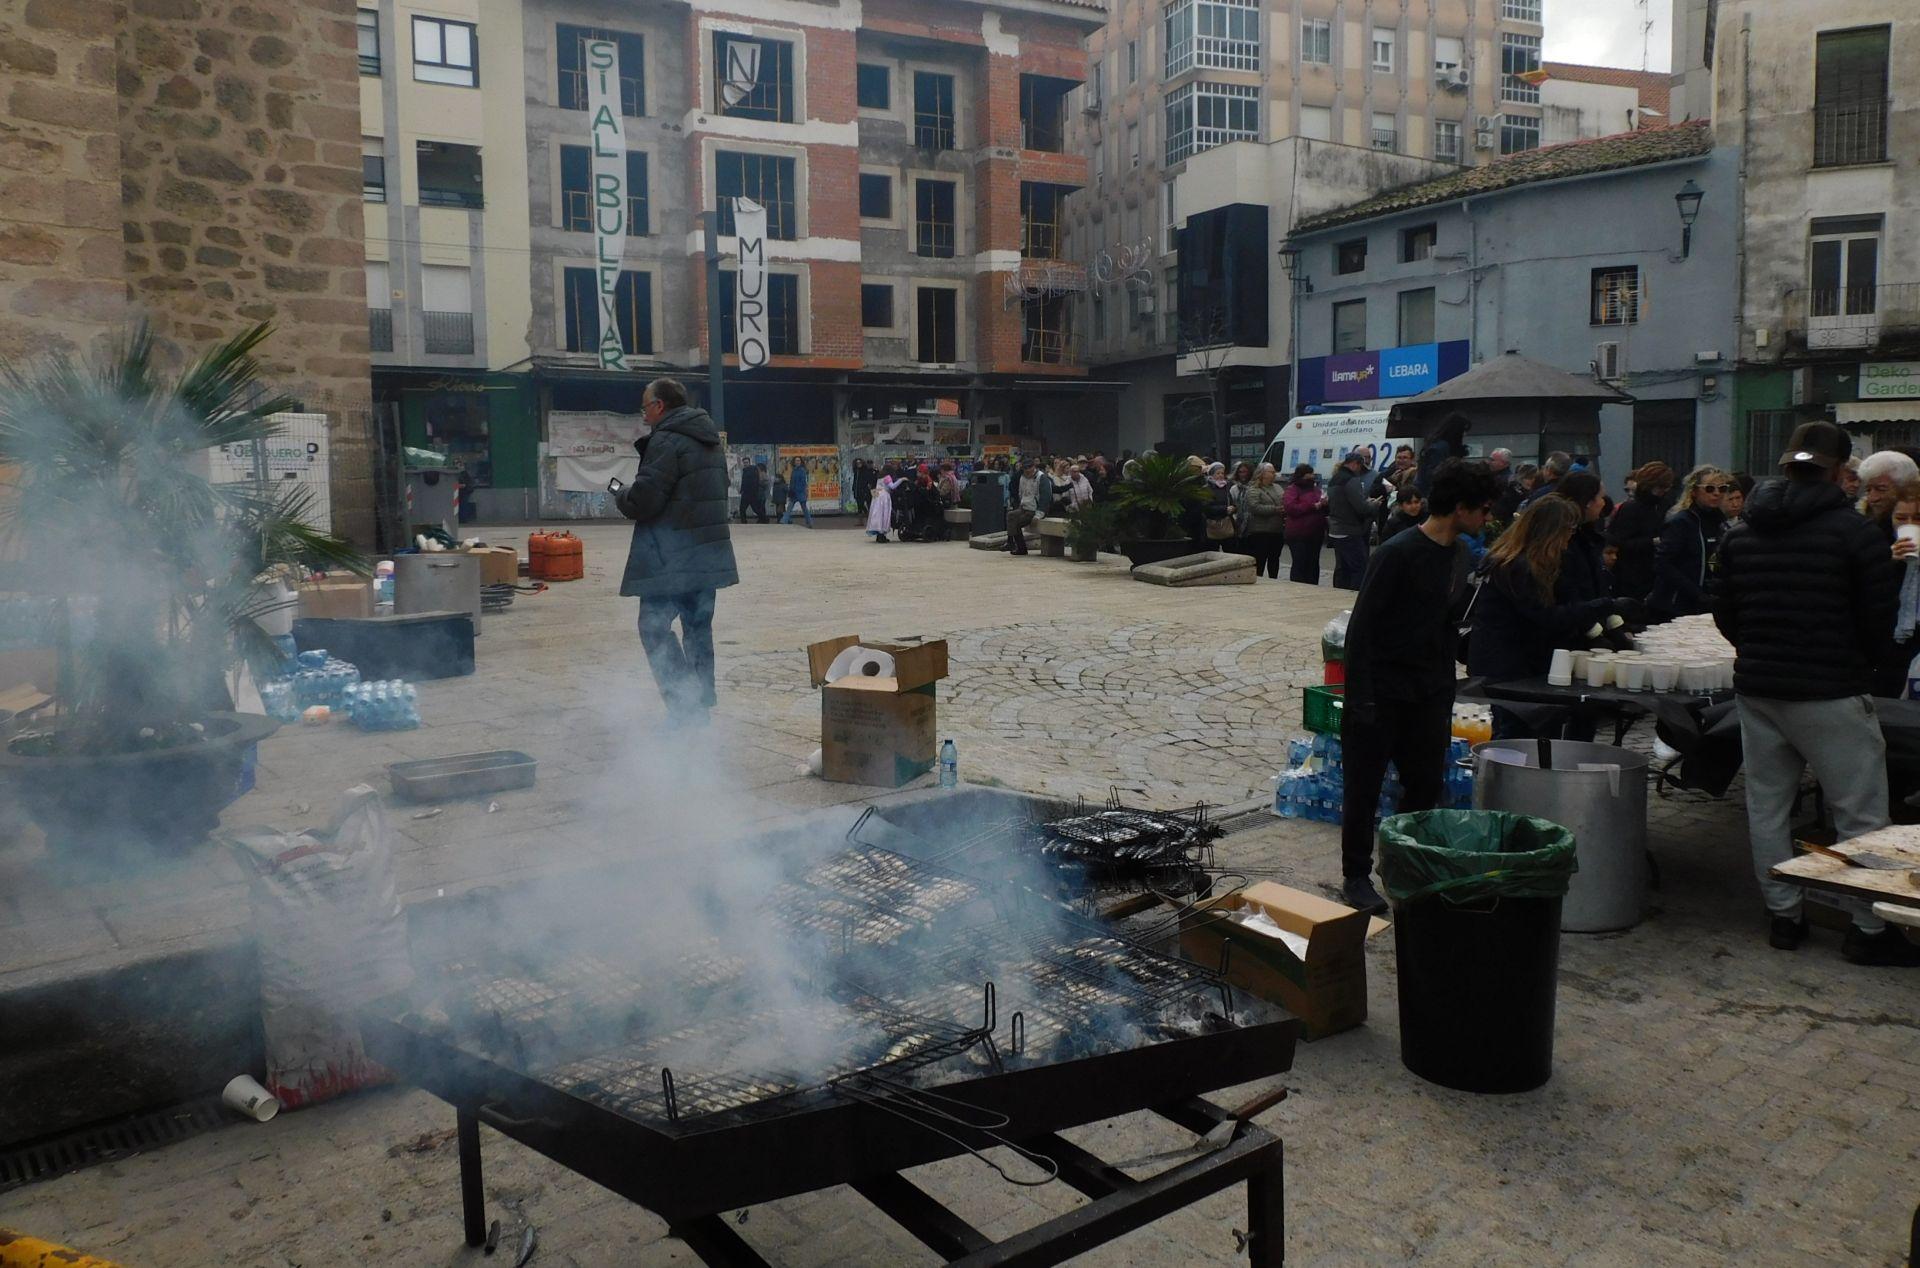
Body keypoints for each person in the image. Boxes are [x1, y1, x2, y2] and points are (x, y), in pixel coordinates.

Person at [1715, 420, 1915, 966]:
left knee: (1768, 807)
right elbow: (1880, 622)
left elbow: (1725, 613)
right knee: (1862, 815)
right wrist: (1865, 668)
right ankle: (1869, 929)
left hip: (1759, 688)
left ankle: (1784, 917)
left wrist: (1759, 649)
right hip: (1829, 690)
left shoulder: (1742, 532)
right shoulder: (1852, 535)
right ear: (1838, 471)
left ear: (1786, 466)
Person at [1337, 460, 1502, 913]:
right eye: (1484, 508)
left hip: (1429, 690)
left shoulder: (1462, 553)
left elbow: (1448, 621)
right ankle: (1355, 876)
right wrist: (1363, 698)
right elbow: (1361, 632)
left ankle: (1406, 862)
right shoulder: (1396, 552)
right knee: (1363, 788)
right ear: (1461, 507)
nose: (1489, 517)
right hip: (1382, 690)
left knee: (1424, 784)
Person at [616, 378, 738, 727]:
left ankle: (686, 709)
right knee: (698, 629)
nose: (644, 415)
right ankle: (699, 706)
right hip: (706, 557)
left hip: (672, 559)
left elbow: (644, 500)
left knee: (653, 628)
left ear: (660, 406)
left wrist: (621, 493)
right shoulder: (709, 440)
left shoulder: (667, 440)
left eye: (645, 407)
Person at [1467, 496, 1622, 739]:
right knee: (1515, 731)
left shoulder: (1532, 562)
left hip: (1520, 661)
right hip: (1508, 666)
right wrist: (1601, 607)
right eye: (1568, 530)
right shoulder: (1516, 566)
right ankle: (1507, 775)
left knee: (1532, 729)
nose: (1570, 537)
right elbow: (1545, 616)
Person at [1649, 466, 1728, 620]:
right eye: (1710, 489)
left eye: (1722, 488)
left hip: (1706, 602)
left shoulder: (1720, 522)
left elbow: (1715, 559)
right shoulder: (1681, 522)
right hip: (1675, 604)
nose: (1717, 493)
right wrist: (1696, 593)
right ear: (1694, 491)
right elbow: (1662, 563)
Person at [1876, 477, 1920, 697]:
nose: (1909, 524)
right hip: (1890, 647)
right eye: (1901, 518)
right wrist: (1888, 561)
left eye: (1918, 519)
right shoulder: (1878, 547)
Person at [1606, 461, 1673, 601]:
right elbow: (1619, 542)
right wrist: (1651, 542)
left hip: (1653, 573)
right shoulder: (1630, 509)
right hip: (1632, 575)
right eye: (1660, 487)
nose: (1663, 491)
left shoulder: (1664, 505)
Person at [1327, 450, 1384, 590]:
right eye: (1360, 466)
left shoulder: (1334, 479)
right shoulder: (1351, 480)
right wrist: (1374, 504)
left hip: (1335, 529)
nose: (1360, 470)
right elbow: (1361, 508)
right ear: (1354, 464)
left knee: (1343, 568)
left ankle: (1339, 595)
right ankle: (1353, 599)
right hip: (1350, 530)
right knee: (1359, 567)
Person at [1554, 471, 1610, 606]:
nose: (1603, 503)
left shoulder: (1587, 536)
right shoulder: (1563, 542)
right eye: (1601, 497)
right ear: (1588, 502)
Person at [1282, 464, 1330, 585]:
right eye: (1310, 473)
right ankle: (1297, 586)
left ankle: (1313, 586)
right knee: (1300, 562)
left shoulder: (1315, 489)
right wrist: (1313, 506)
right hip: (1298, 533)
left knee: (1313, 562)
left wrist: (1324, 504)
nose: (1313, 476)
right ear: (1303, 475)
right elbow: (1291, 508)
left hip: (1316, 532)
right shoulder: (1292, 489)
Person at [1858, 450, 1917, 542]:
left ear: (1906, 488)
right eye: (1868, 490)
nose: (1873, 498)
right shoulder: (1861, 525)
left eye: (1881, 489)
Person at [1241, 463, 1287, 579]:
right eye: (1271, 472)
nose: (1274, 474)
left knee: (1274, 559)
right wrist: (1275, 509)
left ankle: (1274, 579)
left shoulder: (1277, 487)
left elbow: (1284, 500)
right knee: (1260, 560)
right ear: (1263, 474)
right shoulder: (1254, 489)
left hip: (1276, 530)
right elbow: (1254, 507)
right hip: (1260, 531)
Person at [1005, 459, 1051, 556]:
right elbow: (1021, 493)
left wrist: (1039, 514)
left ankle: (1021, 548)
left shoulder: (1041, 478)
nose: (1027, 470)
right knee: (1011, 515)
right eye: (1025, 468)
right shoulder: (1022, 478)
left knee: (1017, 523)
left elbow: (1045, 497)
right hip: (1025, 507)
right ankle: (1010, 542)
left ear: (1034, 467)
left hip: (1035, 510)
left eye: (1029, 467)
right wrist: (1021, 505)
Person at [1414, 414, 1469, 494]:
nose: (1465, 434)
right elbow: (1433, 475)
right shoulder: (1440, 448)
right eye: (1463, 431)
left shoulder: (1436, 445)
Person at [866, 467, 898, 543]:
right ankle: (882, 534)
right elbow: (893, 486)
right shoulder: (887, 477)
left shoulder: (879, 478)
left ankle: (879, 535)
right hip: (884, 497)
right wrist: (902, 479)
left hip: (877, 496)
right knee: (884, 515)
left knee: (877, 515)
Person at [780, 457, 813, 526]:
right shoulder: (794, 470)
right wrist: (791, 490)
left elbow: (803, 482)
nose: (797, 462)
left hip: (800, 492)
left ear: (801, 462)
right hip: (794, 492)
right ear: (794, 462)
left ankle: (809, 522)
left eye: (799, 460)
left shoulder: (802, 470)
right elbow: (792, 482)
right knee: (790, 507)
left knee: (804, 508)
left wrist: (802, 490)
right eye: (796, 461)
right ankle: (784, 520)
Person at [737, 460, 768, 524]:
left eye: (746, 462)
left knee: (752, 508)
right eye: (744, 463)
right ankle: (764, 518)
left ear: (749, 463)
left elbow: (753, 482)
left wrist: (752, 491)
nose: (745, 464)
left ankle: (764, 518)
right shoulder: (746, 470)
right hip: (748, 493)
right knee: (749, 508)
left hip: (750, 493)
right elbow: (744, 482)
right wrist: (742, 490)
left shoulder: (752, 470)